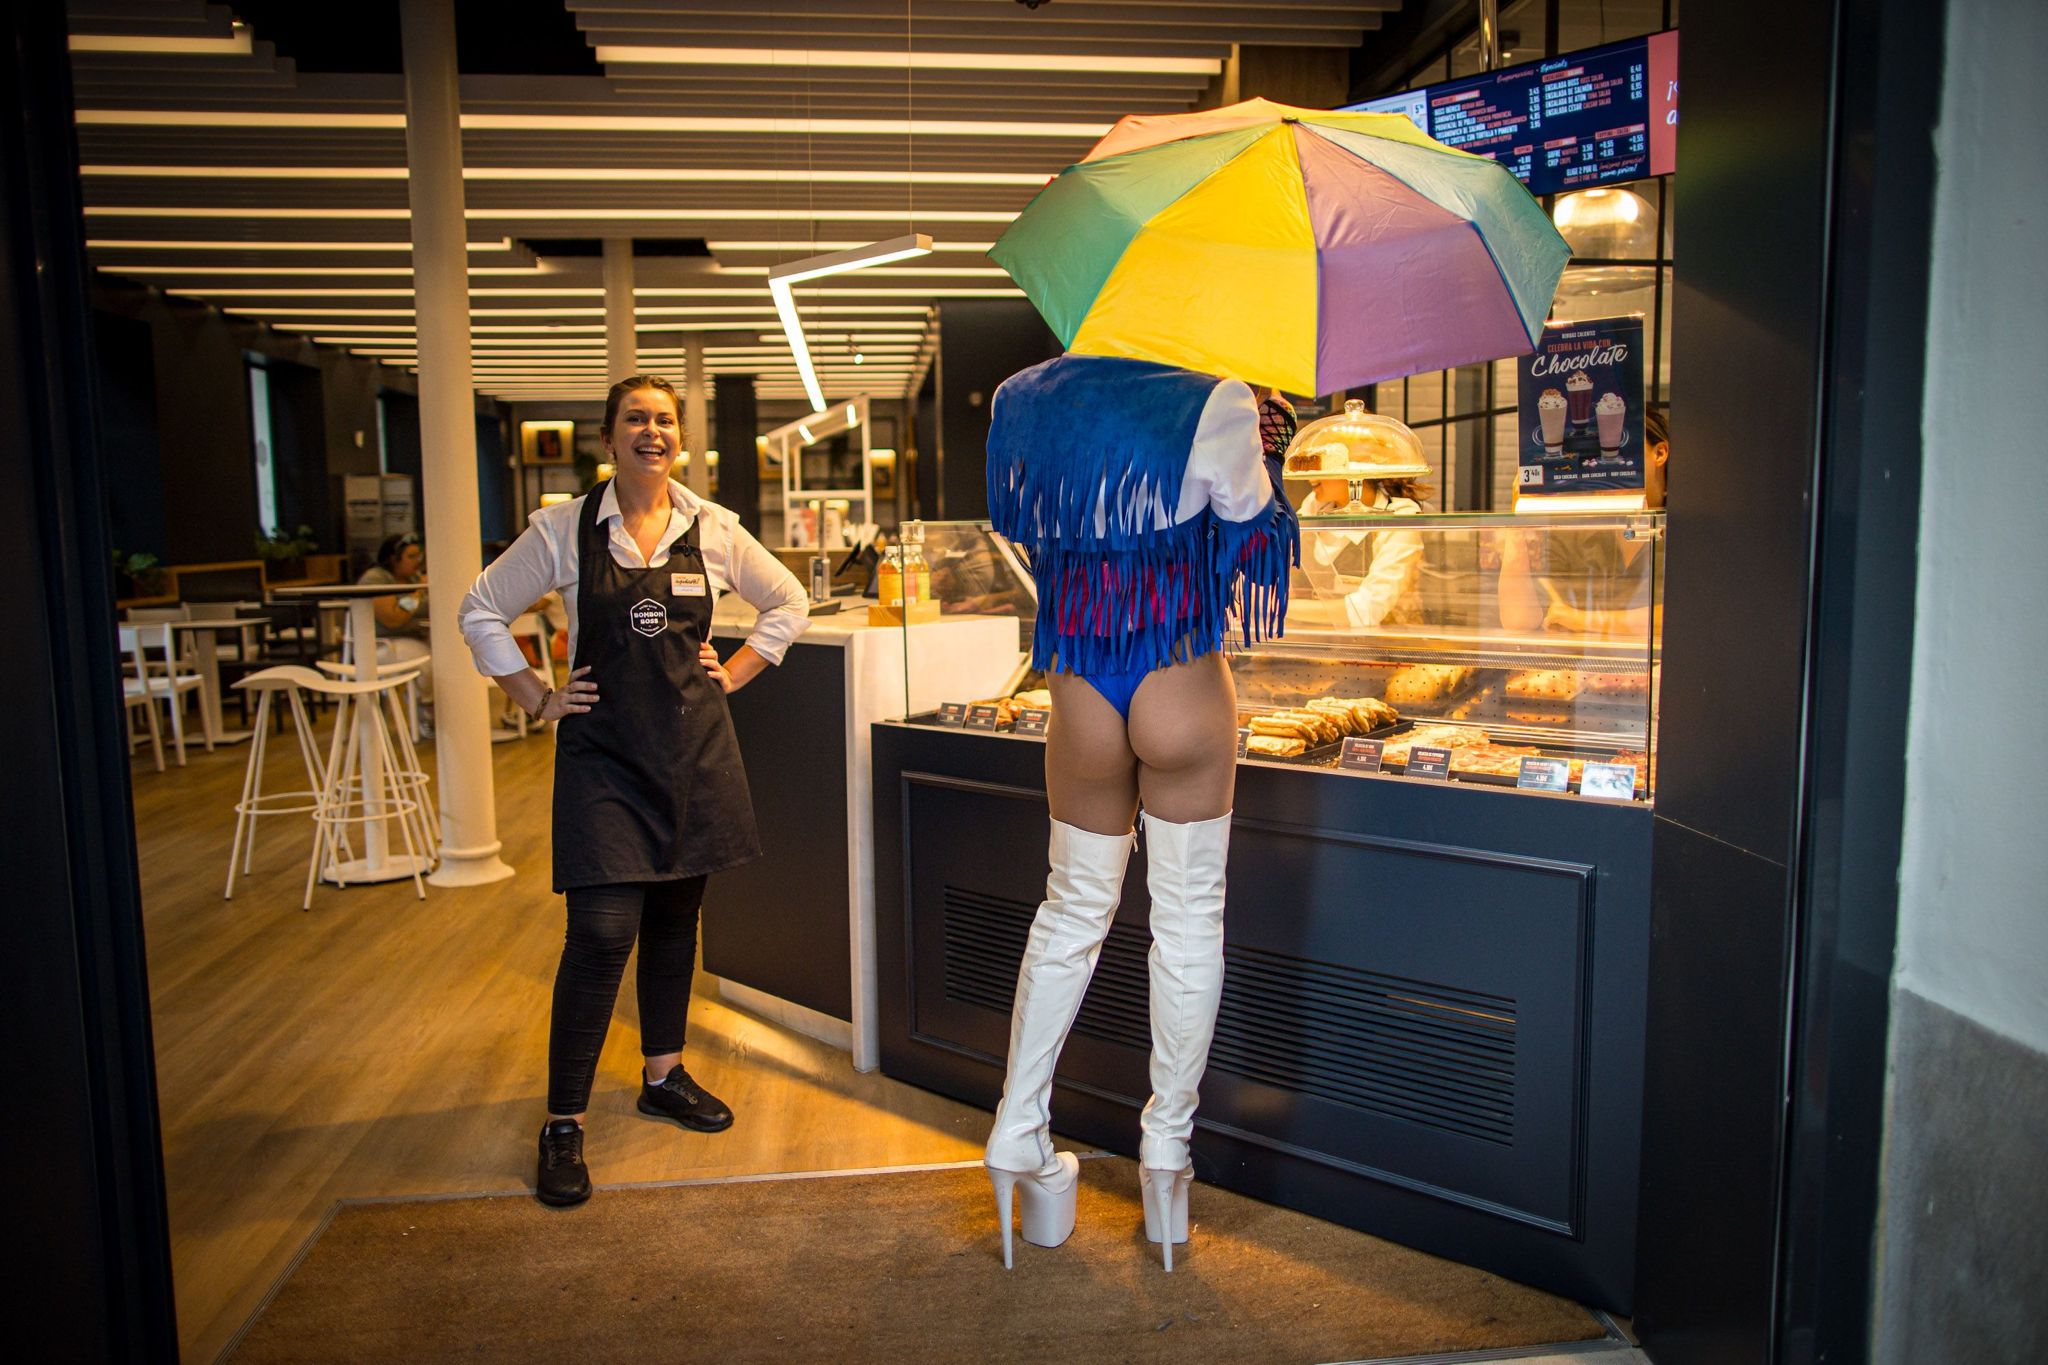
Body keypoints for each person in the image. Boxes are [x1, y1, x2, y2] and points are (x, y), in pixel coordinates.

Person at [457, 375, 810, 1208]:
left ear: (678, 439)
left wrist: (742, 667)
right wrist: (538, 697)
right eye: (635, 421)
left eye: (663, 421)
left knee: (674, 920)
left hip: (694, 752)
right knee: (602, 930)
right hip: (604, 758)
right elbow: (478, 611)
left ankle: (663, 1072)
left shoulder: (711, 527)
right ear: (608, 439)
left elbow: (788, 600)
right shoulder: (562, 529)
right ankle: (563, 1121)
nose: (651, 432)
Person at [980, 353, 1297, 1272]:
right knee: (1188, 920)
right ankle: (1166, 1151)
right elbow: (1255, 541)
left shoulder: (1019, 396)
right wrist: (1265, 446)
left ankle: (1018, 1129)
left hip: (1079, 678)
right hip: (1180, 670)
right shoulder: (1219, 401)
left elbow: (1026, 532)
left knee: (1069, 910)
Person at [1497, 402, 1669, 637]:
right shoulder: (1579, 528)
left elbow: (1687, 617)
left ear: (1659, 453)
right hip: (1585, 672)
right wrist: (1516, 519)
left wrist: (1582, 620)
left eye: (1619, 445)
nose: (1603, 462)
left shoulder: (1689, 527)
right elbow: (1519, 620)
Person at [358, 532, 434, 720]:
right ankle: (428, 710)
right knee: (430, 664)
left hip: (415, 638)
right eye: (411, 556)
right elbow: (393, 617)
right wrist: (417, 593)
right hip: (382, 644)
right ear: (393, 558)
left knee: (452, 659)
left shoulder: (413, 578)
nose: (417, 561)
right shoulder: (375, 579)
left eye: (419, 556)